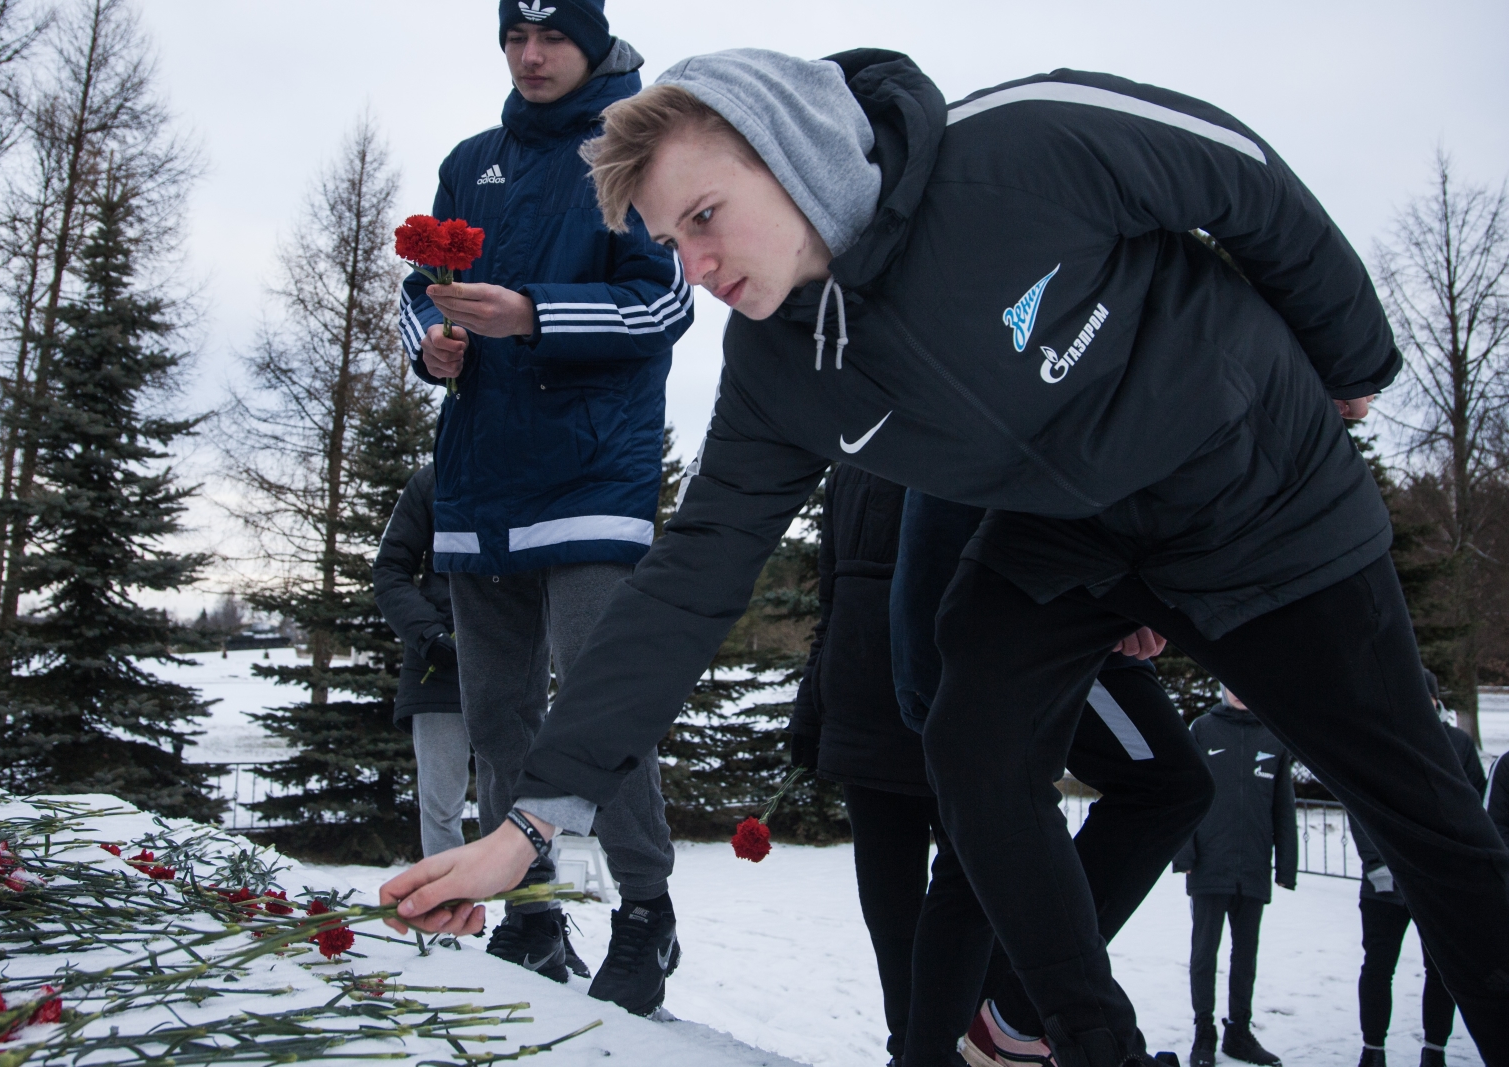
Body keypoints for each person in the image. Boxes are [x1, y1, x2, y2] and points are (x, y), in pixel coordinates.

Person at [380, 50, 1509, 1065]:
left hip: (1257, 486)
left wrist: (1349, 357)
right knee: (970, 742)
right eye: (674, 240)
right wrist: (535, 821)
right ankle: (1076, 1039)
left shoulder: (1020, 147)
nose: (698, 262)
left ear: (793, 154)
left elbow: (1239, 174)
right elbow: (691, 578)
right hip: (1068, 528)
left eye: (708, 215)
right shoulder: (779, 367)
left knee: (1416, 802)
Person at [393, 0, 692, 1015]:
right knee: (497, 712)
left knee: (599, 703)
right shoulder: (471, 157)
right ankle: (531, 911)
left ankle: (644, 911)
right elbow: (417, 288)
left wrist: (533, 314)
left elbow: (665, 302)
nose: (530, 55)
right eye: (513, 38)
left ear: (593, 42)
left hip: (591, 479)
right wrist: (430, 343)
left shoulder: (637, 143)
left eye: (551, 37)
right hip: (480, 482)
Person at [888, 489, 1210, 1067]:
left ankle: (988, 1035)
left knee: (987, 835)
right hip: (1027, 601)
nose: (1360, 410)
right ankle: (1000, 1030)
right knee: (1156, 787)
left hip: (1058, 592)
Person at [1350, 670, 1487, 1067]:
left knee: (1441, 969)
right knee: (1378, 966)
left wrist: (1456, 867)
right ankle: (1372, 1049)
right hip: (1385, 881)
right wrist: (1376, 864)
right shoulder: (1377, 739)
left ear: (1435, 701)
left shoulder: (1458, 744)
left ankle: (1435, 1051)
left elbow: (1473, 807)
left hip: (1438, 882)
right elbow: (1360, 805)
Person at [1173, 688, 1296, 1067]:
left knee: (1245, 955)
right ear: (1221, 687)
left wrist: (1286, 866)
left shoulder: (1274, 736)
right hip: (1209, 864)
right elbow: (1185, 792)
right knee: (1204, 953)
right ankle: (1204, 1032)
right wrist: (1185, 853)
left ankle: (1238, 1032)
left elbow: (1283, 806)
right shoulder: (1203, 729)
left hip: (1254, 867)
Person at [373, 462, 471, 857]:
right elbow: (389, 570)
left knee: (524, 801)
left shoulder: (532, 471)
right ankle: (451, 913)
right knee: (441, 809)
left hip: (512, 662)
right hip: (439, 667)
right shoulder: (432, 480)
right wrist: (429, 635)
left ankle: (533, 915)